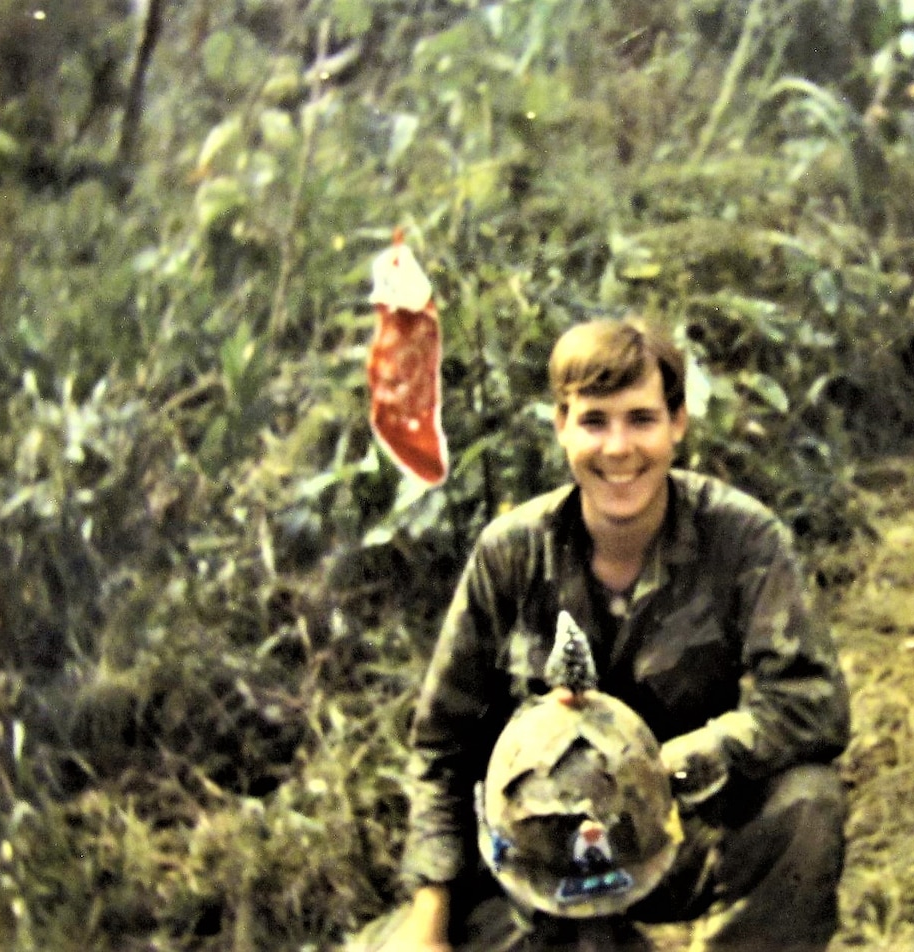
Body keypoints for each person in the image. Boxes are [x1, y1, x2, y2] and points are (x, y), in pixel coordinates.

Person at [365, 317, 851, 951]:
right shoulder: (511, 555)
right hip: (538, 859)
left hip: (674, 832)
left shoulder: (740, 539)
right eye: (594, 421)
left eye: (641, 419)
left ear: (677, 423)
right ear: (561, 426)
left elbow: (812, 702)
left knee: (808, 804)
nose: (618, 447)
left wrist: (667, 765)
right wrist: (430, 915)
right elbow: (441, 748)